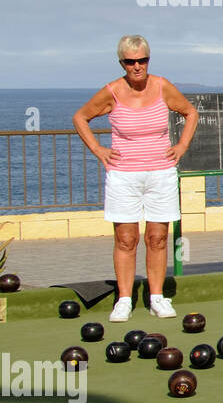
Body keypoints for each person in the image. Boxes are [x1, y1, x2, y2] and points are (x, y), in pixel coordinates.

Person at [73, 36, 198, 321]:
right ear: (122, 63)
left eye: (142, 60)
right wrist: (98, 149)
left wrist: (182, 146)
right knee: (126, 239)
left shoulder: (163, 86)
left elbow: (190, 112)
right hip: (123, 176)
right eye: (130, 61)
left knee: (158, 238)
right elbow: (80, 117)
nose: (137, 66)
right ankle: (124, 300)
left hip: (161, 174)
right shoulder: (112, 91)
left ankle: (157, 298)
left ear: (148, 60)